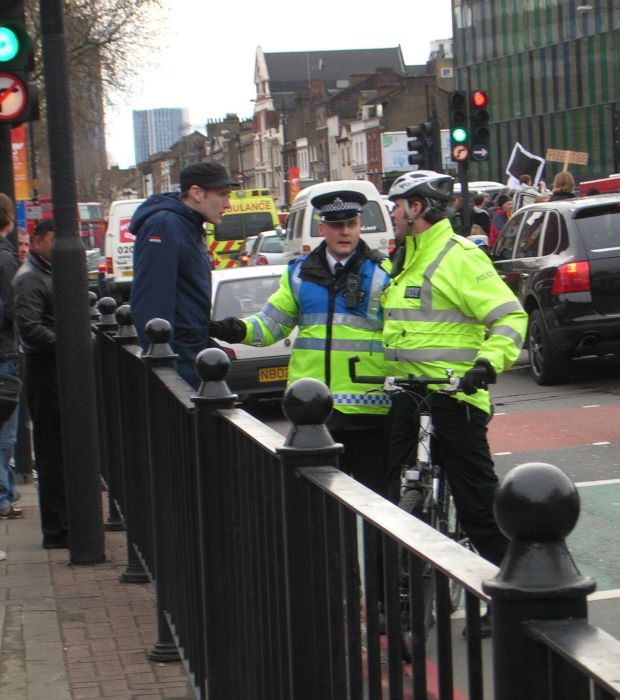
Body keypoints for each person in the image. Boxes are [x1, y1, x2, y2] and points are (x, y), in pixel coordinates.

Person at [383, 170, 528, 636]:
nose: (391, 213)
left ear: (416, 208)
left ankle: (509, 596)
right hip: (409, 395)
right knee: (395, 497)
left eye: (396, 205)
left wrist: (486, 364)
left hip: (455, 397)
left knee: (478, 507)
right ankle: (405, 597)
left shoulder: (458, 255)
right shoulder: (403, 257)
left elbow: (510, 317)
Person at [210, 189, 392, 495]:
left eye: (351, 223)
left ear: (360, 226)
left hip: (369, 408)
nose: (345, 232)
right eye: (336, 225)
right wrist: (230, 329)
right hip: (312, 410)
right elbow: (271, 324)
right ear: (322, 228)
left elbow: (400, 332)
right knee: (318, 501)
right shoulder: (299, 274)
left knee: (376, 502)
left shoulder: (383, 273)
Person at [130, 161, 239, 388]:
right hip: (179, 361)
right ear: (197, 193)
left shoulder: (188, 224)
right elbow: (152, 302)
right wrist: (166, 373)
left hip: (191, 354)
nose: (228, 204)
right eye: (222, 194)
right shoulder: (164, 225)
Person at [13, 220, 67, 549]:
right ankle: (57, 530)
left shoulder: (43, 272)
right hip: (46, 373)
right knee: (51, 452)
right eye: (53, 241)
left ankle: (63, 524)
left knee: (60, 449)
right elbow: (30, 328)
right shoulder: (31, 277)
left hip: (53, 371)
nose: (59, 247)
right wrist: (68, 344)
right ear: (37, 242)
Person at [0, 194, 21, 520]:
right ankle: (3, 495)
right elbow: (11, 309)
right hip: (3, 352)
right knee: (6, 433)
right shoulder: (5, 259)